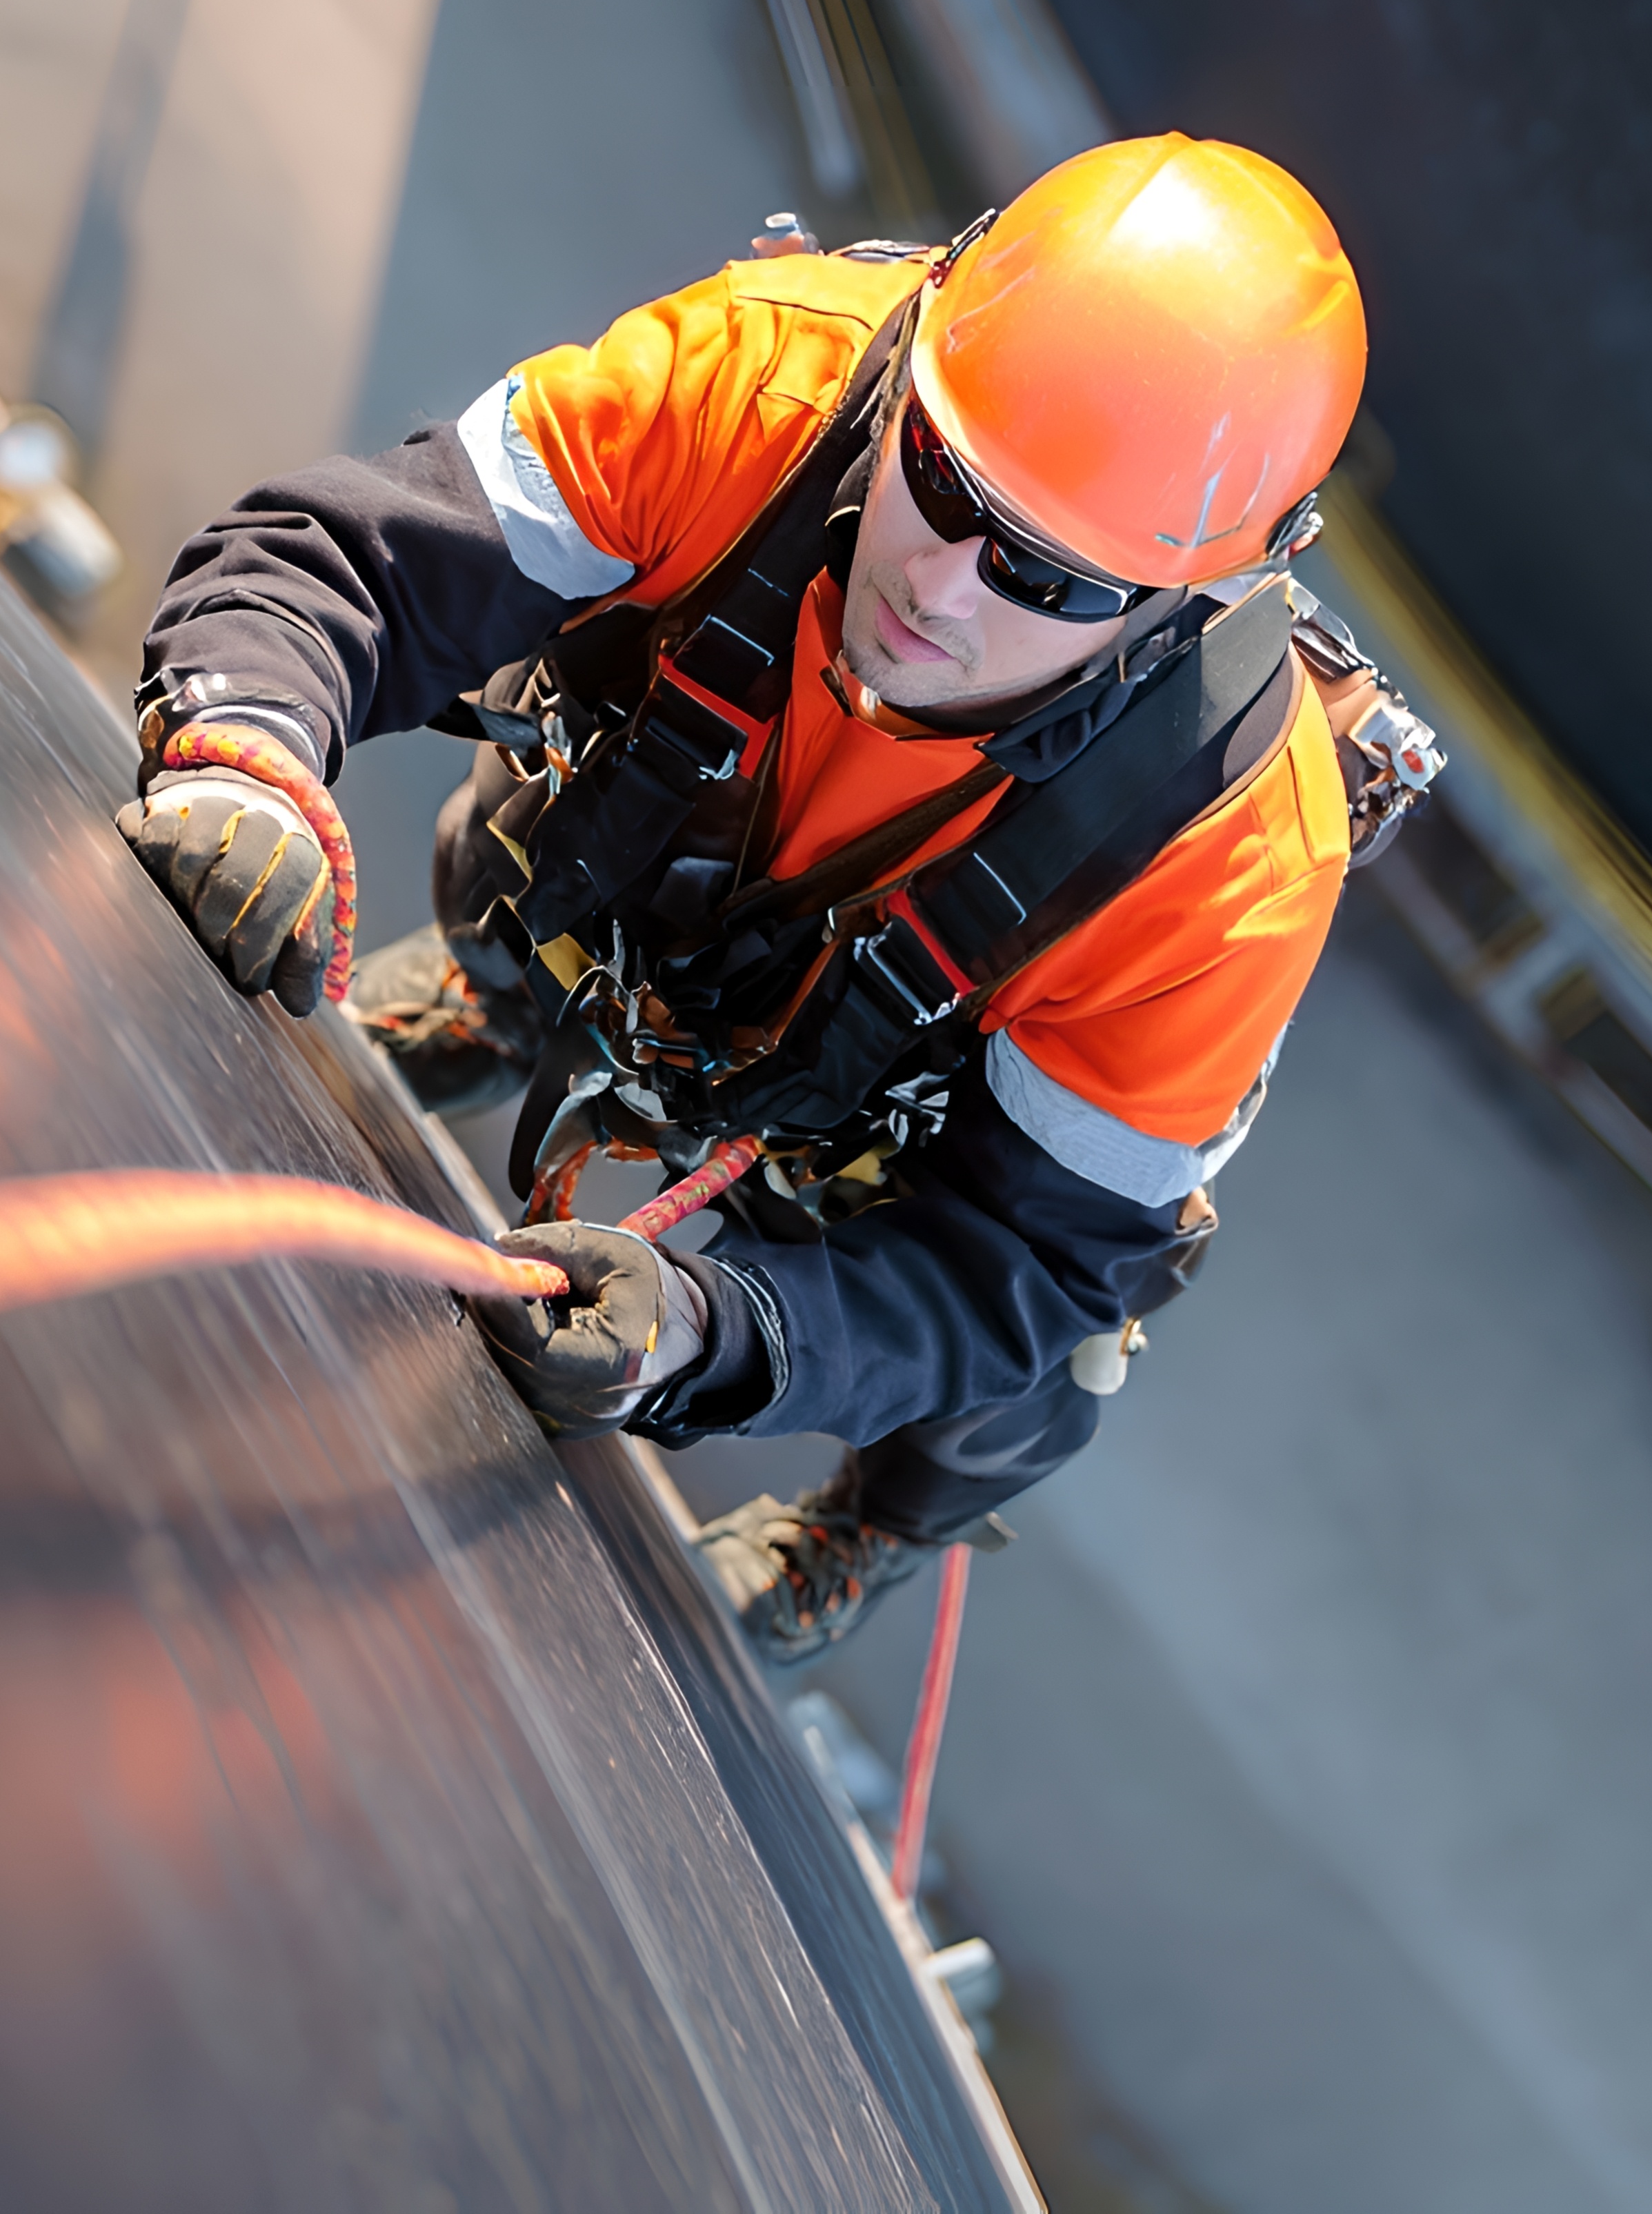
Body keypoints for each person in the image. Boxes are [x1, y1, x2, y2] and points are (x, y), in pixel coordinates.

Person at [115, 135, 1426, 1657]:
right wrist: (247, 753)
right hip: (651, 893)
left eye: (1051, 579)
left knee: (1031, 1379)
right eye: (937, 473)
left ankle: (866, 1527)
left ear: (1187, 604)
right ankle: (498, 987)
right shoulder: (760, 380)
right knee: (552, 826)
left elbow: (1026, 1263)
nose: (941, 585)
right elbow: (353, 561)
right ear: (918, 351)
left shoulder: (1226, 863)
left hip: (890, 1119)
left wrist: (718, 1331)